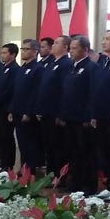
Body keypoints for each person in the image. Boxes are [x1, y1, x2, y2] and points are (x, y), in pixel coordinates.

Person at [60, 35, 101, 195]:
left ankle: (87, 186)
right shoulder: (71, 66)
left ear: (85, 49)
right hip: (70, 118)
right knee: (73, 153)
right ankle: (74, 183)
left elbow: (93, 94)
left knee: (86, 153)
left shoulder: (91, 68)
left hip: (83, 119)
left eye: (74, 48)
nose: (71, 51)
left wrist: (89, 116)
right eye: (70, 48)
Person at [35, 36, 72, 179]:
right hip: (46, 112)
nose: (53, 46)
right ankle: (51, 174)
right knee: (49, 146)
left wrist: (60, 114)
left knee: (57, 147)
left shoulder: (66, 64)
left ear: (65, 47)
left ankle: (59, 176)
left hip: (55, 113)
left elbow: (63, 91)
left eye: (57, 43)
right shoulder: (52, 63)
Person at [92, 29, 110, 201]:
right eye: (103, 39)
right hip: (103, 115)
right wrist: (95, 114)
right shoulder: (105, 62)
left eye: (108, 39)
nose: (104, 42)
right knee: (106, 152)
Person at [9, 40, 45, 173]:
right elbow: (16, 90)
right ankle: (24, 168)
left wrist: (28, 112)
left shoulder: (38, 69)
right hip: (17, 110)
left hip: (27, 113)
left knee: (30, 143)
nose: (23, 51)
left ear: (35, 51)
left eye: (26, 49)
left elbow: (36, 92)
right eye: (22, 49)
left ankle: (31, 170)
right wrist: (12, 109)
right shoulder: (22, 68)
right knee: (22, 142)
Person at [0, 43, 19, 171]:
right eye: (2, 53)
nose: (2, 55)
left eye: (5, 53)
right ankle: (1, 161)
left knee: (6, 136)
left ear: (13, 54)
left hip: (5, 107)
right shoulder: (2, 68)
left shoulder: (15, 69)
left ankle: (7, 164)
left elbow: (9, 90)